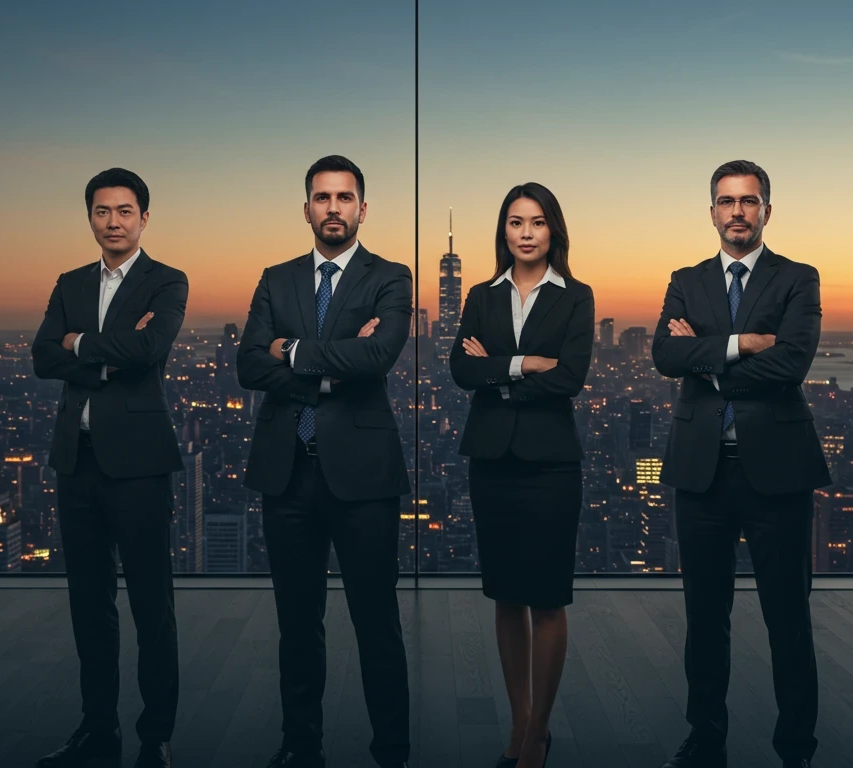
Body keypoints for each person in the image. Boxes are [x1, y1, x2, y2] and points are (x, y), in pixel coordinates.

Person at [652, 160, 831, 768]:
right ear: (711, 212)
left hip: (777, 469)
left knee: (789, 616)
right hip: (701, 470)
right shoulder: (687, 279)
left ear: (766, 211)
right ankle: (706, 736)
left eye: (748, 202)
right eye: (726, 202)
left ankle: (796, 748)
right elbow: (663, 354)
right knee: (705, 617)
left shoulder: (797, 278)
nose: (737, 212)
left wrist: (704, 359)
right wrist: (738, 345)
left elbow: (791, 365)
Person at [236, 155, 413, 768]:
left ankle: (391, 751)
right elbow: (246, 365)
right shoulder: (275, 278)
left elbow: (379, 358)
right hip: (287, 473)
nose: (333, 208)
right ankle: (299, 747)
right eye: (322, 197)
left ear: (363, 208)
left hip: (363, 476)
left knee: (376, 621)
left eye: (345, 197)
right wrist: (332, 360)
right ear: (305, 207)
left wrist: (291, 353)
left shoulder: (391, 276)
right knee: (297, 623)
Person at [31, 168, 189, 768]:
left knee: (153, 606)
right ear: (90, 218)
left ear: (144, 218)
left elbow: (150, 350)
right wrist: (99, 350)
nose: (114, 221)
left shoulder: (166, 281)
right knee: (88, 606)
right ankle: (98, 731)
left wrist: (78, 343)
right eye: (103, 211)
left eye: (125, 211)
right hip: (77, 465)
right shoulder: (70, 282)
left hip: (141, 465)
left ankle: (156, 739)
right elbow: (42, 355)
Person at [451, 182, 595, 768]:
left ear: (553, 230)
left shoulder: (576, 296)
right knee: (506, 598)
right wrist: (523, 363)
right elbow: (461, 367)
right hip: (491, 462)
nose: (526, 232)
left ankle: (538, 732)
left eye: (537, 222)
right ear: (504, 231)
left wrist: (497, 370)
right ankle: (518, 725)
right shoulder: (482, 295)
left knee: (547, 600)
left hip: (551, 464)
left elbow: (571, 377)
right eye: (516, 222)